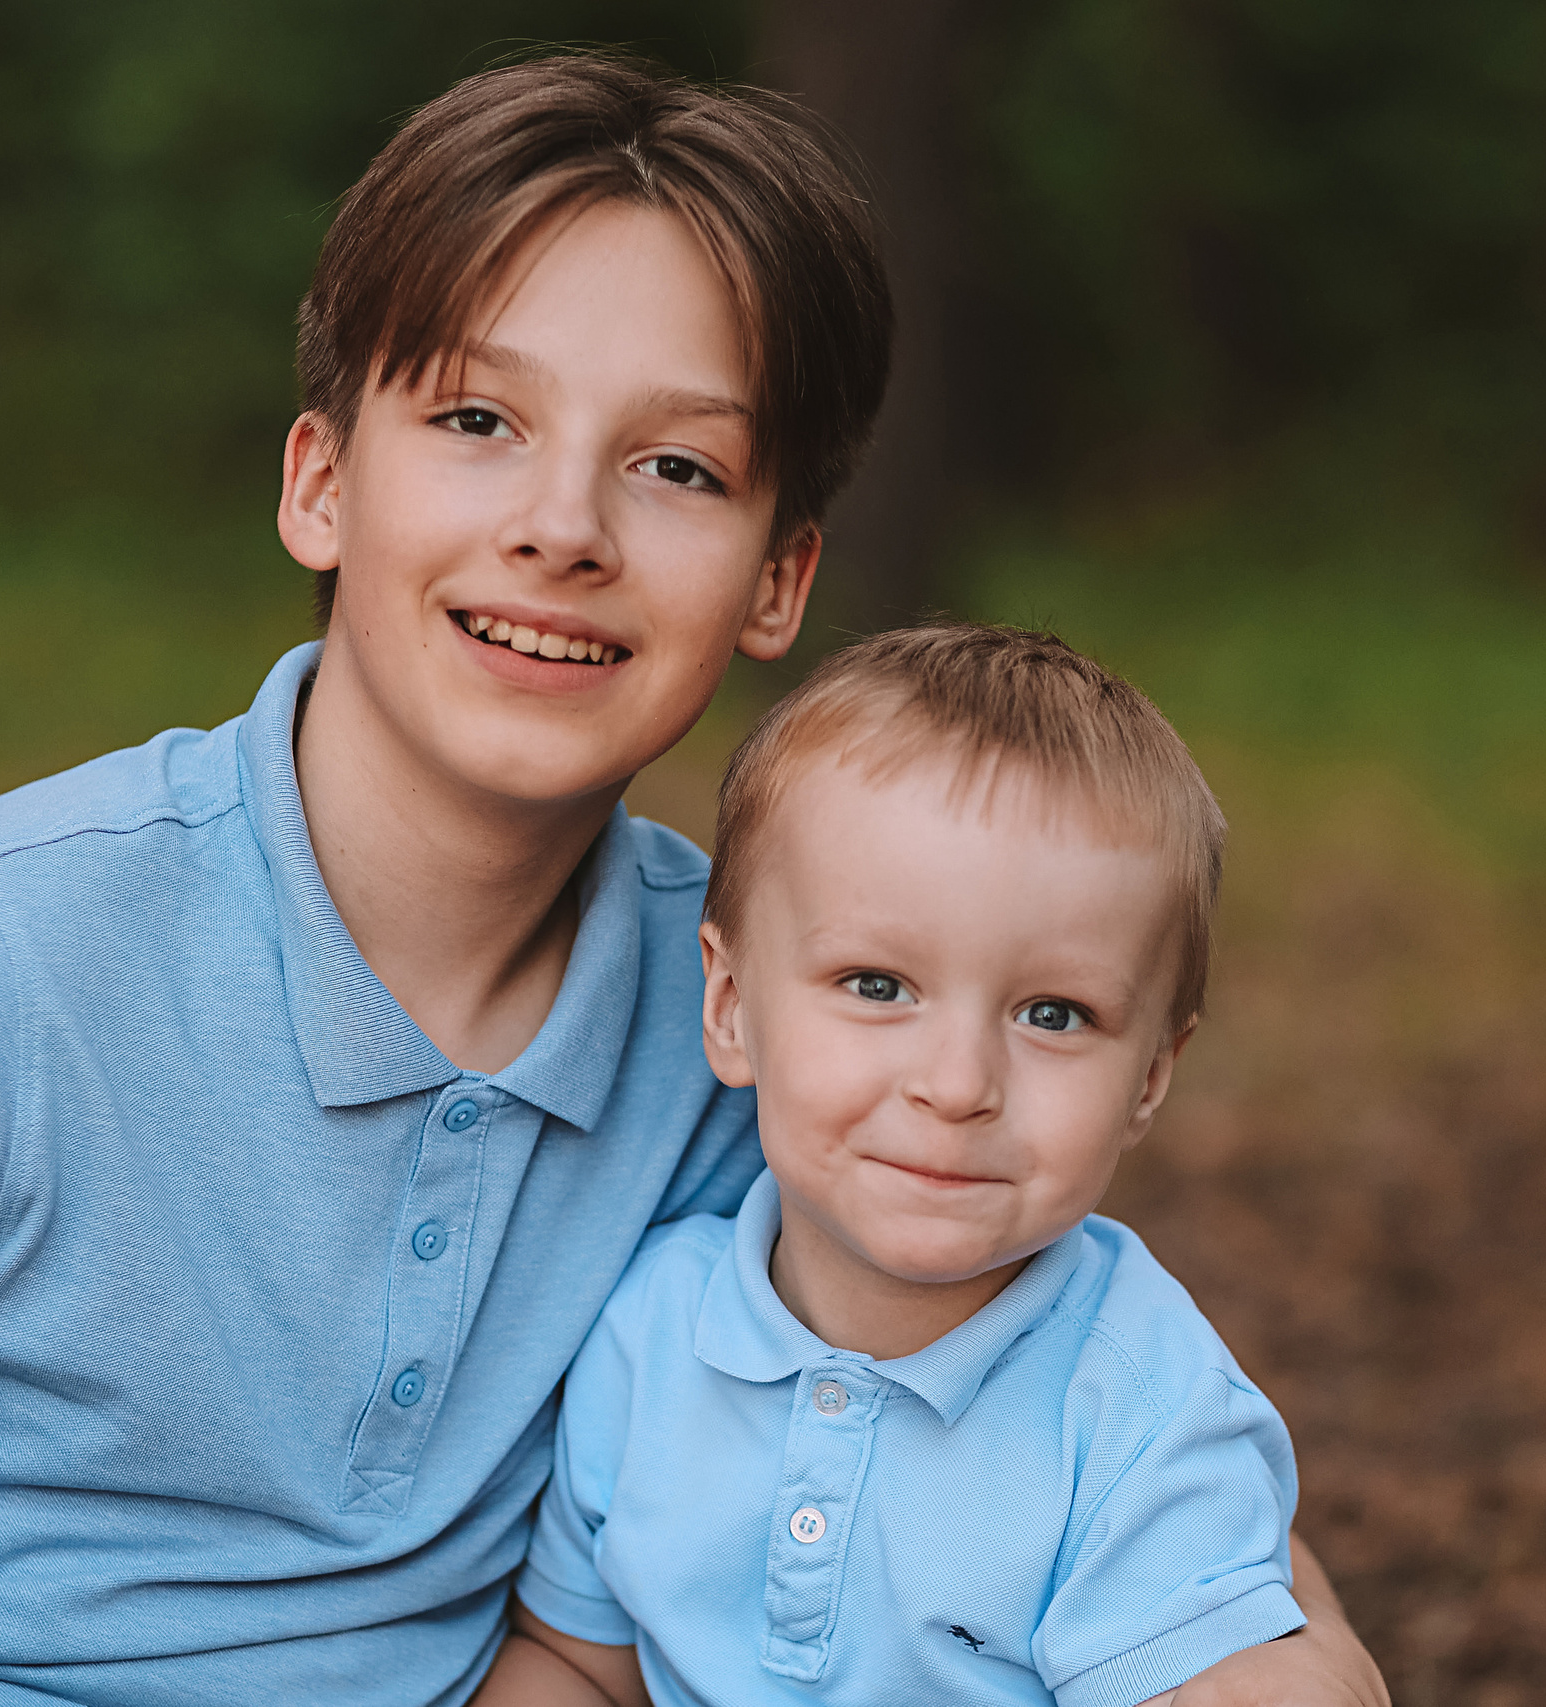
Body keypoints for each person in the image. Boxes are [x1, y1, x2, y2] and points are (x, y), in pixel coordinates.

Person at [0, 54, 1385, 1707]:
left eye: (676, 469)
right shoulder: (13, 951)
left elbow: (1103, 1411)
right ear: (322, 482)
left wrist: (1288, 1648)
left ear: (780, 580)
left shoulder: (770, 1004)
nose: (561, 526)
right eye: (479, 422)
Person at [469, 625, 1303, 1707]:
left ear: (1149, 1076)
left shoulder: (1139, 1413)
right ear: (728, 1007)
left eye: (1053, 1014)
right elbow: (578, 1660)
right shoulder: (646, 1330)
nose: (957, 1084)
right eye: (877, 985)